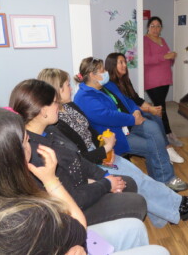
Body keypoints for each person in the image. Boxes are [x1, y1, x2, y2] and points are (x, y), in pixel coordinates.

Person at [0, 108, 169, 255]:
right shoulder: (20, 218)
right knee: (160, 252)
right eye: (25, 140)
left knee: (134, 227)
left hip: (60, 236)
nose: (30, 144)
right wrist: (52, 181)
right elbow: (77, 230)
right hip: (72, 231)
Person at [38, 68, 188, 228]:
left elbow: (90, 130)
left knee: (139, 176)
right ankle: (179, 206)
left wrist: (105, 144)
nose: (70, 88)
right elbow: (78, 158)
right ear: (57, 90)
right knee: (137, 180)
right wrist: (104, 151)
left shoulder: (70, 107)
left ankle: (168, 212)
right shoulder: (55, 123)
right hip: (91, 162)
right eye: (67, 85)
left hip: (100, 153)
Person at [9, 79, 148, 225]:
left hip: (81, 188)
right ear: (43, 110)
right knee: (137, 202)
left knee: (128, 183)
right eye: (55, 102)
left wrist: (105, 175)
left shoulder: (50, 130)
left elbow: (79, 159)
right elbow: (72, 198)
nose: (59, 106)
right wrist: (106, 184)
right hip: (72, 210)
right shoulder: (36, 153)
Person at [73, 57, 188, 192]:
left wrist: (136, 111)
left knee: (154, 127)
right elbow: (107, 116)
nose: (106, 72)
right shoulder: (83, 97)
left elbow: (127, 100)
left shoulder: (108, 85)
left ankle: (161, 179)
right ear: (92, 75)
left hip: (129, 124)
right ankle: (165, 179)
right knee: (153, 145)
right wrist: (133, 119)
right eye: (102, 70)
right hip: (114, 136)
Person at [105, 52, 184, 163]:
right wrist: (148, 109)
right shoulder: (109, 85)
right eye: (120, 62)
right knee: (153, 123)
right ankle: (164, 150)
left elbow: (136, 99)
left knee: (156, 117)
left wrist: (152, 109)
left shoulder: (125, 80)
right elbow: (124, 107)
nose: (124, 65)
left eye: (125, 62)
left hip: (135, 112)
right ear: (112, 65)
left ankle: (167, 148)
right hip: (128, 119)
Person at [144, 16, 183, 148]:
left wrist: (172, 57)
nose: (155, 29)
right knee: (160, 107)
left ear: (161, 28)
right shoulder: (145, 40)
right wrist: (165, 56)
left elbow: (168, 59)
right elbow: (145, 60)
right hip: (152, 80)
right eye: (152, 26)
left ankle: (159, 133)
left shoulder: (162, 40)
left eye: (158, 26)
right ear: (148, 27)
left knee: (160, 106)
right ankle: (167, 134)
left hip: (165, 78)